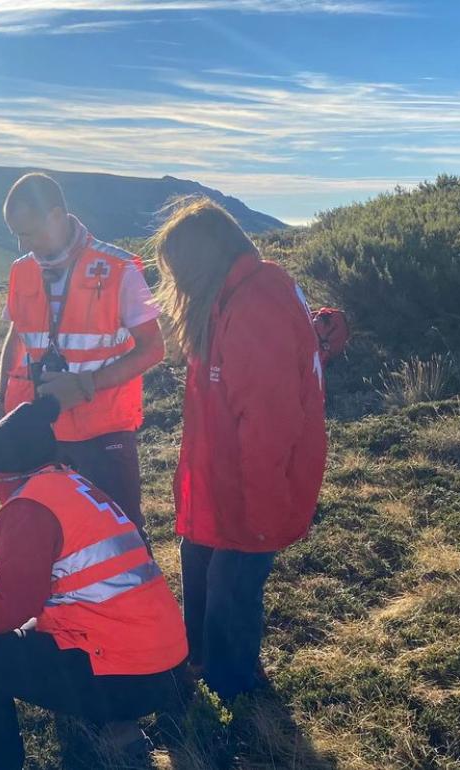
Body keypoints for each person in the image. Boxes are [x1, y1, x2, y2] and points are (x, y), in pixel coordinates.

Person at [0, 396, 188, 770]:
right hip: (165, 664)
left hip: (128, 677)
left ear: (12, 473)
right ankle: (117, 727)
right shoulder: (69, 486)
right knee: (35, 631)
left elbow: (13, 602)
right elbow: (8, 553)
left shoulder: (27, 507)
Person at [151, 196, 327, 700]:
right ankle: (203, 663)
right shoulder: (232, 296)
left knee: (232, 591)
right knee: (203, 567)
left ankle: (234, 696)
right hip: (220, 479)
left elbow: (269, 423)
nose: (178, 286)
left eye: (179, 272)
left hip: (250, 487)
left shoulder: (255, 306)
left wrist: (262, 510)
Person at [0, 173, 164, 545]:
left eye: (30, 232)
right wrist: (0, 401)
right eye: (17, 235)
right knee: (53, 540)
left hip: (103, 432)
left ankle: (140, 603)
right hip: (43, 431)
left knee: (123, 537)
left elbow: (154, 348)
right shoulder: (21, 271)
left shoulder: (118, 268)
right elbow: (16, 336)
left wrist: (87, 384)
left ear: (57, 216)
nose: (25, 244)